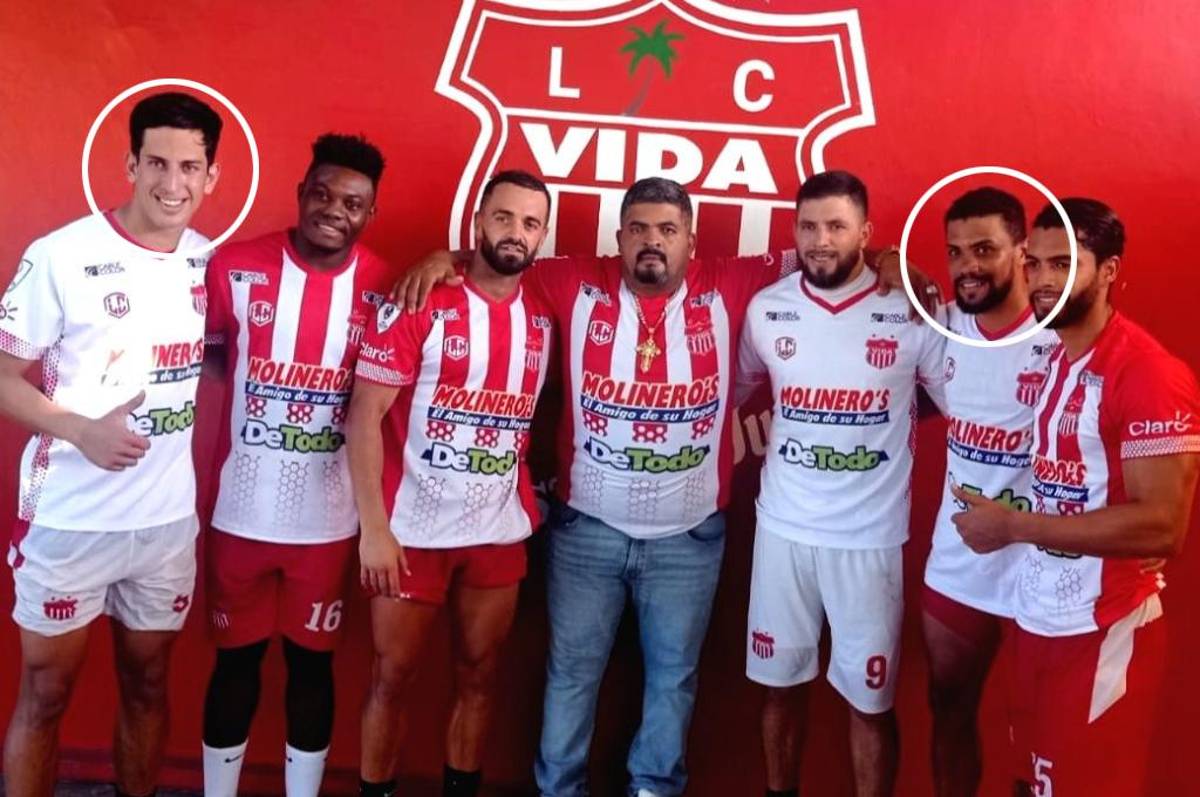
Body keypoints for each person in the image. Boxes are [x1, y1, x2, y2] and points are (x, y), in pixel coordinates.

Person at [392, 176, 937, 797]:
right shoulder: (570, 280)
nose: (653, 242)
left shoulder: (734, 281)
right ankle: (559, 790)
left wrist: (892, 260)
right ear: (619, 237)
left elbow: (828, 256)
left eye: (668, 231)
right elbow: (500, 264)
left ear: (691, 242)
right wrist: (447, 259)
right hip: (587, 530)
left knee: (673, 680)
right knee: (571, 674)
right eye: (640, 230)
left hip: (689, 539)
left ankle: (652, 788)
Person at [0, 92, 222, 797]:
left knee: (149, 684)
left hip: (164, 526)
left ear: (211, 176)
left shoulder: (208, 261)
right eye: (157, 162)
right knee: (46, 694)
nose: (172, 182)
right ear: (130, 165)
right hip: (70, 519)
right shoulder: (63, 255)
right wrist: (79, 429)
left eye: (190, 167)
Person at [952, 198, 1200, 796]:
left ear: (1109, 270)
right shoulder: (1059, 359)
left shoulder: (1147, 372)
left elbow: (1162, 526)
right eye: (1035, 264)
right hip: (1037, 622)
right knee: (1025, 784)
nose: (1043, 280)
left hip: (1104, 630)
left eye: (1064, 264)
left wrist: (1013, 527)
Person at [736, 170, 946, 797]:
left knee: (870, 704)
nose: (821, 240)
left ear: (866, 232)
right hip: (783, 532)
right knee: (778, 689)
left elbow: (962, 401)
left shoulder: (909, 308)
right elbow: (729, 392)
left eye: (836, 226)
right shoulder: (768, 309)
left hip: (869, 540)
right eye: (809, 226)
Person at [347, 170, 554, 797]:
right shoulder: (422, 302)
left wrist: (450, 255)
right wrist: (374, 530)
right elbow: (363, 416)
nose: (515, 232)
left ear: (542, 234)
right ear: (479, 221)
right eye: (503, 217)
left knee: (480, 678)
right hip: (411, 534)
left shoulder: (545, 312)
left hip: (497, 532)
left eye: (530, 223)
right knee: (392, 679)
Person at [199, 133, 390, 797]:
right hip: (239, 515)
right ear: (301, 192)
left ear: (369, 214)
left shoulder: (383, 285)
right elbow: (215, 354)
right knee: (235, 666)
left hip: (327, 524)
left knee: (312, 671)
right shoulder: (234, 267)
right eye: (323, 193)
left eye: (353, 203)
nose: (334, 209)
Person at [919, 187, 1056, 796]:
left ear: (1022, 252)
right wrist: (892, 261)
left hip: (1043, 561)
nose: (967, 265)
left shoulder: (1062, 336)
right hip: (960, 560)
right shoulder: (941, 325)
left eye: (984, 249)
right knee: (948, 705)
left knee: (1038, 727)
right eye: (955, 252)